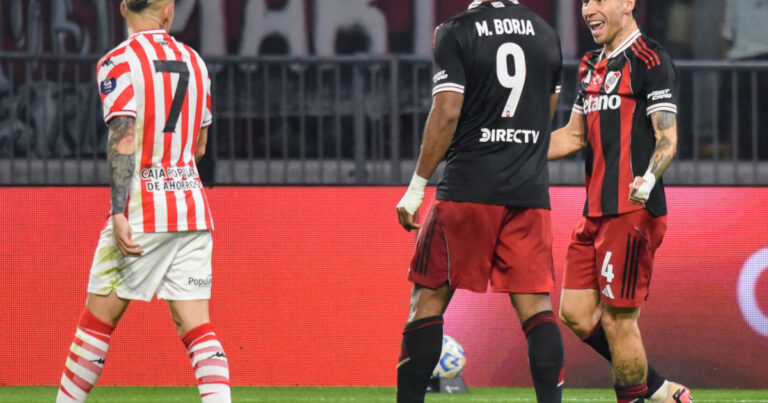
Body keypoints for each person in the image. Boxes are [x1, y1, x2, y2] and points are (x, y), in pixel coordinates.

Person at [55, 1, 230, 402]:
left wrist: (118, 210)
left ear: (121, 8)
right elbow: (200, 146)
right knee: (198, 329)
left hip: (142, 210)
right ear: (167, 11)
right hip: (191, 208)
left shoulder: (117, 61)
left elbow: (124, 137)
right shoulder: (195, 61)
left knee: (96, 325)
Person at [395, 1, 564, 402]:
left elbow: (448, 110)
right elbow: (546, 113)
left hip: (468, 188)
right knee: (537, 310)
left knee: (428, 301)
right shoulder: (546, 34)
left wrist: (418, 185)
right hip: (528, 192)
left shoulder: (455, 30)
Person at [548, 1, 690, 402]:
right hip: (593, 212)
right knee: (574, 313)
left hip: (631, 211)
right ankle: (660, 389)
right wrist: (518, 147)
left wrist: (649, 176)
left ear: (628, 2)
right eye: (584, 1)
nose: (588, 9)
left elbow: (667, 138)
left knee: (618, 321)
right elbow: (572, 136)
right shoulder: (589, 65)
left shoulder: (650, 59)